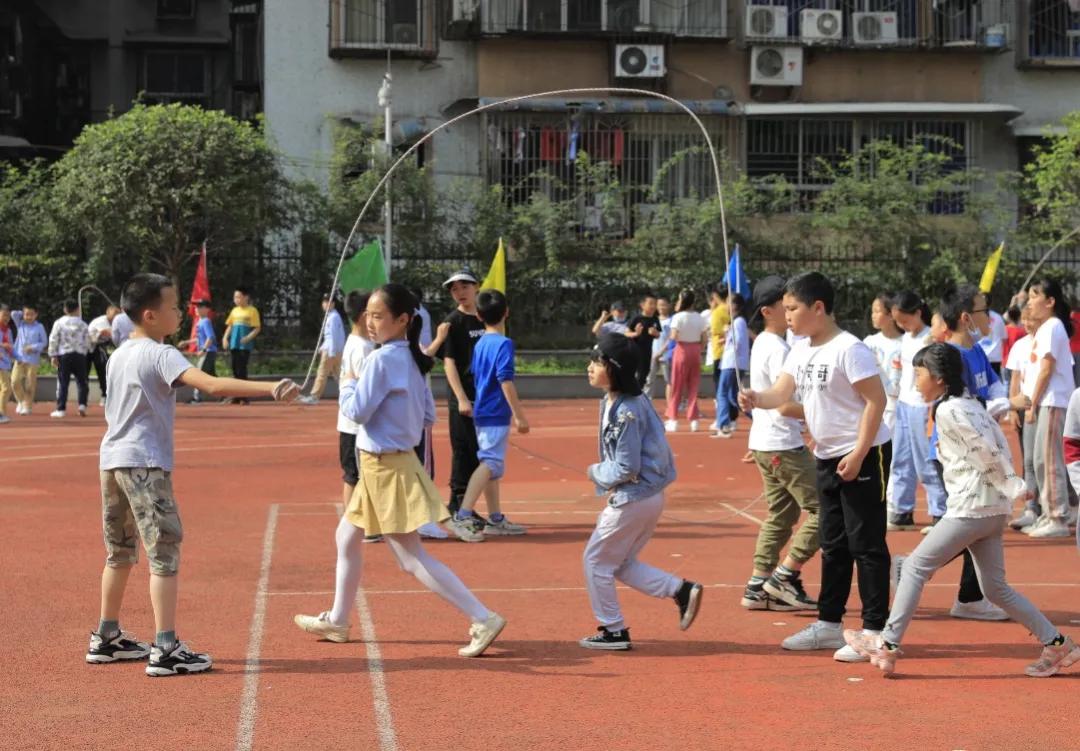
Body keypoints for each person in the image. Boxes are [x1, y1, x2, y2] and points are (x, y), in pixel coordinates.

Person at [89, 273, 299, 676]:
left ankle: (107, 636)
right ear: (150, 315)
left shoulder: (119, 355)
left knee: (119, 552)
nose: (179, 315)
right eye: (172, 308)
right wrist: (271, 388)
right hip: (145, 464)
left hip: (111, 461)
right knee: (163, 553)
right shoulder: (160, 354)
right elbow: (213, 385)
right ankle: (165, 648)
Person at [293, 283, 506, 658]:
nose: (370, 323)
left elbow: (356, 412)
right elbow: (428, 415)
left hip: (385, 466)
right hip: (390, 463)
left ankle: (482, 616)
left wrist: (347, 383)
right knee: (346, 537)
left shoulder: (382, 359)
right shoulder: (414, 357)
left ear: (403, 320)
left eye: (378, 316)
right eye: (368, 316)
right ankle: (339, 620)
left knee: (410, 558)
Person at [843, 343, 1080, 678]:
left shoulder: (949, 411)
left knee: (913, 568)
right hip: (992, 509)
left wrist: (1012, 484)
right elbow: (996, 445)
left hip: (972, 508)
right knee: (995, 588)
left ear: (939, 378)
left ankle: (889, 644)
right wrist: (1009, 489)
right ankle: (1057, 644)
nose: (915, 381)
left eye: (920, 373)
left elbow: (984, 451)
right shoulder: (971, 405)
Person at [739, 271, 891, 660]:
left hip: (863, 454)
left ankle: (875, 631)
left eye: (793, 308)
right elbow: (780, 394)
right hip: (825, 455)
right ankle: (828, 624)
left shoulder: (849, 349)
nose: (786, 316)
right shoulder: (801, 350)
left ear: (818, 308)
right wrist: (756, 397)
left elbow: (876, 402)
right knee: (834, 545)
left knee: (866, 545)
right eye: (785, 309)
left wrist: (858, 454)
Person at [579, 332, 703, 650]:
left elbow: (625, 467)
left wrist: (595, 472)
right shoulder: (619, 401)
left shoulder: (626, 411)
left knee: (596, 561)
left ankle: (614, 630)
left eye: (598, 361)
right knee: (619, 563)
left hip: (634, 497)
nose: (590, 366)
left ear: (615, 369)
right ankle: (679, 590)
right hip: (646, 497)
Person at [902, 285, 1011, 621]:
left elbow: (992, 384)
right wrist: (1002, 405)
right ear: (966, 318)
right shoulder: (950, 357)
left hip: (975, 452)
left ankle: (969, 596)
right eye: (984, 309)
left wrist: (1000, 399)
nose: (990, 316)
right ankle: (912, 568)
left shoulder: (976, 350)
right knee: (967, 523)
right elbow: (966, 407)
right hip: (958, 455)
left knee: (974, 523)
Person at [738, 276, 820, 613]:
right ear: (767, 310)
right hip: (781, 444)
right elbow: (784, 403)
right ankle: (784, 576)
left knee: (781, 514)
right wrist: (822, 417)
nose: (789, 313)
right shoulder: (777, 348)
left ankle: (757, 585)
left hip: (766, 441)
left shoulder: (765, 344)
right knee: (825, 510)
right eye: (784, 307)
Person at [448, 289, 531, 542]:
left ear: (480, 314)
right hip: (495, 411)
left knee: (492, 464)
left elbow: (478, 373)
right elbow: (505, 380)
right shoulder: (504, 343)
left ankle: (495, 518)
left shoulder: (482, 341)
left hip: (482, 410)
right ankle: (462, 515)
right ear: (506, 312)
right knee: (490, 463)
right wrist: (520, 416)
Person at [1016, 277, 1076, 538]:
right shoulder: (1046, 328)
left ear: (1050, 302)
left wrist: (1033, 402)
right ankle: (1054, 511)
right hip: (1047, 401)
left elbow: (1047, 369)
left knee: (1048, 460)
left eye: (1034, 295)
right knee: (1042, 459)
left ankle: (1057, 516)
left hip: (1052, 401)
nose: (1030, 301)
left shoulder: (1052, 326)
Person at [889, 292, 947, 532]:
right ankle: (902, 509)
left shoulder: (929, 338)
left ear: (917, 313)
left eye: (904, 319)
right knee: (901, 458)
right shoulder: (906, 338)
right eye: (898, 321)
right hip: (904, 403)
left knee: (926, 460)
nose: (902, 325)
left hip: (922, 406)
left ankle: (939, 511)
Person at [438, 268, 486, 516]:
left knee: (482, 452)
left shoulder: (486, 317)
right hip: (464, 397)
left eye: (464, 287)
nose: (460, 292)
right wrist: (461, 398)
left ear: (476, 286)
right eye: (454, 289)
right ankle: (457, 503)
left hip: (485, 395)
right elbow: (449, 363)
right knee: (463, 449)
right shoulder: (452, 322)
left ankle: (467, 505)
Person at [1006, 307, 1041, 530]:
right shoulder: (1020, 345)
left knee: (1042, 460)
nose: (1027, 323)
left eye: (1032, 319)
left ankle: (1048, 507)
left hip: (1042, 406)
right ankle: (1031, 508)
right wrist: (1011, 408)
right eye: (1024, 320)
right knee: (1028, 459)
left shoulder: (1048, 341)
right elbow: (1015, 378)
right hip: (1023, 406)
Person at [665, 289, 709, 433]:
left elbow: (673, 335)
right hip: (695, 350)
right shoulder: (699, 317)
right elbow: (704, 338)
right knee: (693, 386)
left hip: (682, 349)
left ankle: (673, 419)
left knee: (677, 385)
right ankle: (694, 420)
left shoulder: (678, 317)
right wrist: (698, 347)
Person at [863, 293, 903, 435]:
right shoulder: (869, 342)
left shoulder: (906, 342)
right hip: (876, 405)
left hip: (899, 406)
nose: (873, 315)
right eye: (872, 311)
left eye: (877, 311)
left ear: (891, 314)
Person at [711, 292, 749, 438]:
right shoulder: (738, 321)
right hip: (735, 363)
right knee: (734, 396)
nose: (725, 305)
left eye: (728, 302)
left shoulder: (738, 322)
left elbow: (737, 343)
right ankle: (757, 419)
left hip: (732, 363)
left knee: (722, 393)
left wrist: (729, 344)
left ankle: (723, 425)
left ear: (735, 306)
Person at [300, 293, 347, 404]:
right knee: (339, 374)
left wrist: (331, 351)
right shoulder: (332, 316)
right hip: (335, 350)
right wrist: (323, 347)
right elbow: (330, 336)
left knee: (322, 372)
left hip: (332, 350)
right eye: (324, 302)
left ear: (333, 304)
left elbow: (334, 336)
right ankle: (350, 394)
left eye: (328, 302)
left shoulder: (333, 317)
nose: (325, 304)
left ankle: (314, 396)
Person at [49, 299, 92, 419]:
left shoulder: (59, 323)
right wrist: (86, 351)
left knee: (63, 382)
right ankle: (82, 405)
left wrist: (53, 355)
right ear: (78, 309)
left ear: (65, 309)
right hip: (79, 355)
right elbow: (88, 340)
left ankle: (61, 409)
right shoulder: (83, 324)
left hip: (64, 355)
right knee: (82, 382)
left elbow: (53, 339)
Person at [222, 286, 261, 405]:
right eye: (235, 297)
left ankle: (244, 396)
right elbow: (230, 325)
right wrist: (225, 338)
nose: (236, 299)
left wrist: (248, 337)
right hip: (234, 343)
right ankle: (237, 395)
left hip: (245, 345)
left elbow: (257, 328)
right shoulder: (234, 311)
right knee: (234, 368)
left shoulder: (252, 310)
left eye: (238, 297)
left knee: (242, 369)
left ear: (246, 297)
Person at [12, 304, 47, 416]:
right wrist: (23, 313)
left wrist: (32, 347)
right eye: (27, 314)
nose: (29, 317)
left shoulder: (39, 327)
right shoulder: (20, 324)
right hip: (19, 358)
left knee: (30, 384)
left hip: (32, 359)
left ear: (36, 315)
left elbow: (44, 342)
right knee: (14, 381)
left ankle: (27, 406)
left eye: (31, 314)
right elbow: (13, 314)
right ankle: (21, 401)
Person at [182, 300, 218, 404]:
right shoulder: (200, 322)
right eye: (196, 307)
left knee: (198, 374)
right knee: (212, 376)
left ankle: (197, 397)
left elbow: (210, 337)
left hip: (208, 352)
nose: (196, 309)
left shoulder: (206, 321)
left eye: (200, 307)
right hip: (208, 351)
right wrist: (186, 342)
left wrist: (204, 349)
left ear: (207, 309)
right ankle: (226, 394)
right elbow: (200, 339)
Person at [625, 293, 661, 390]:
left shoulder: (655, 319)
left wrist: (655, 333)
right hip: (635, 350)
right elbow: (626, 334)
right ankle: (631, 394)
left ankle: (637, 394)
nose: (653, 306)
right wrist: (636, 334)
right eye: (651, 303)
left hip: (647, 351)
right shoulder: (636, 318)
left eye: (655, 304)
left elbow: (658, 335)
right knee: (635, 374)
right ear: (642, 305)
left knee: (644, 374)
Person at [88, 305, 120, 407]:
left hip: (99, 347)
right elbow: (109, 332)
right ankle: (83, 400)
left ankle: (104, 396)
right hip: (87, 348)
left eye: (118, 315)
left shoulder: (114, 323)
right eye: (114, 315)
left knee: (103, 371)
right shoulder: (102, 321)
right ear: (108, 313)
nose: (116, 317)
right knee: (84, 373)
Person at [648, 295, 673, 400]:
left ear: (668, 306)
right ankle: (647, 404)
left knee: (669, 381)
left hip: (666, 354)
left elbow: (672, 338)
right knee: (649, 380)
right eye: (659, 305)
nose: (661, 307)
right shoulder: (652, 320)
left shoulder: (672, 320)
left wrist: (662, 351)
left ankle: (671, 406)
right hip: (652, 354)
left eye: (663, 305)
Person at [978, 305, 1008, 376]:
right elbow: (1004, 338)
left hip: (981, 357)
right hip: (995, 357)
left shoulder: (975, 316)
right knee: (994, 384)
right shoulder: (998, 317)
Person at [1002, 305, 1025, 391]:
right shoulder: (1022, 331)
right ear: (1019, 316)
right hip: (1016, 362)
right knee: (1016, 385)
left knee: (1006, 384)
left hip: (1005, 361)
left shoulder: (1004, 329)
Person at [0, 305, 13, 424]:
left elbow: (11, 346)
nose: (6, 318)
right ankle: (1, 413)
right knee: (6, 388)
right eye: (4, 315)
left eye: (8, 316)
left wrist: (18, 357)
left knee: (5, 388)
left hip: (5, 362)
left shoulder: (8, 330)